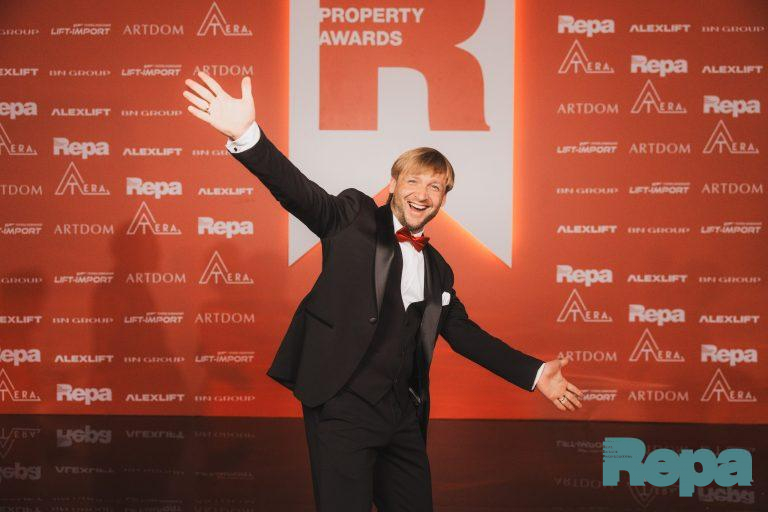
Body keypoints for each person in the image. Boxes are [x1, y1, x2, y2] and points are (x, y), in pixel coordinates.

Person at [183, 71, 584, 512]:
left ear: (443, 200)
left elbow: (466, 335)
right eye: (413, 181)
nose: (422, 193)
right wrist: (247, 135)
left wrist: (535, 373)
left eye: (435, 187)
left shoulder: (439, 269)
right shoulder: (353, 218)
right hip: (341, 407)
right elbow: (300, 194)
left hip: (402, 416)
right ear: (392, 185)